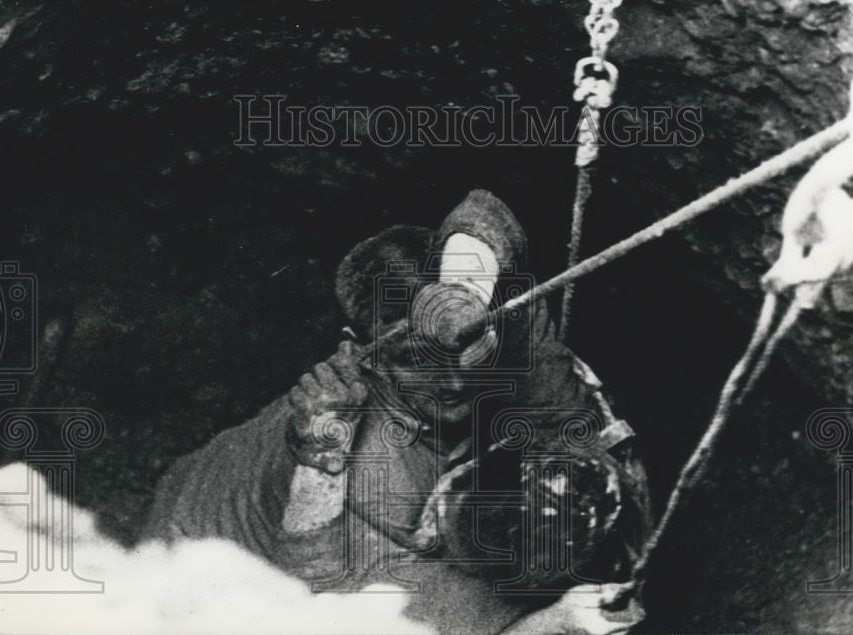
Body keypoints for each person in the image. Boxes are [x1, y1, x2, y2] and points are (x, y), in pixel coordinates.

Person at [141, 189, 650, 634]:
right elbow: (322, 605)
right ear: (361, 352)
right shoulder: (359, 453)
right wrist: (550, 628)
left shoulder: (489, 330)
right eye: (416, 362)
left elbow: (486, 214)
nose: (453, 382)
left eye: (466, 351)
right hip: (204, 573)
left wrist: (467, 295)